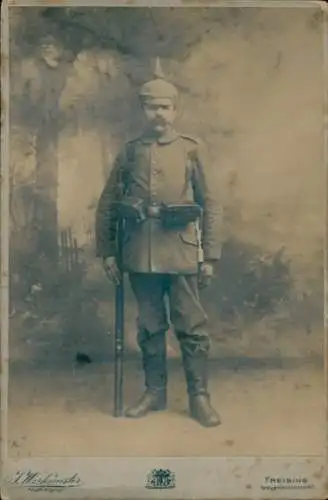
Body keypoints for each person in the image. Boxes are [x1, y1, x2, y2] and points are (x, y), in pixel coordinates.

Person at [95, 58, 223, 427]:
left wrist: (209, 255)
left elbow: (210, 203)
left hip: (181, 252)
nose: (159, 114)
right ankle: (155, 392)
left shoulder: (191, 149)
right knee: (150, 327)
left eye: (165, 107)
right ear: (143, 109)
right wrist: (107, 251)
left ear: (175, 109)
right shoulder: (131, 150)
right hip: (140, 253)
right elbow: (107, 202)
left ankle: (200, 397)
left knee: (191, 327)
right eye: (152, 107)